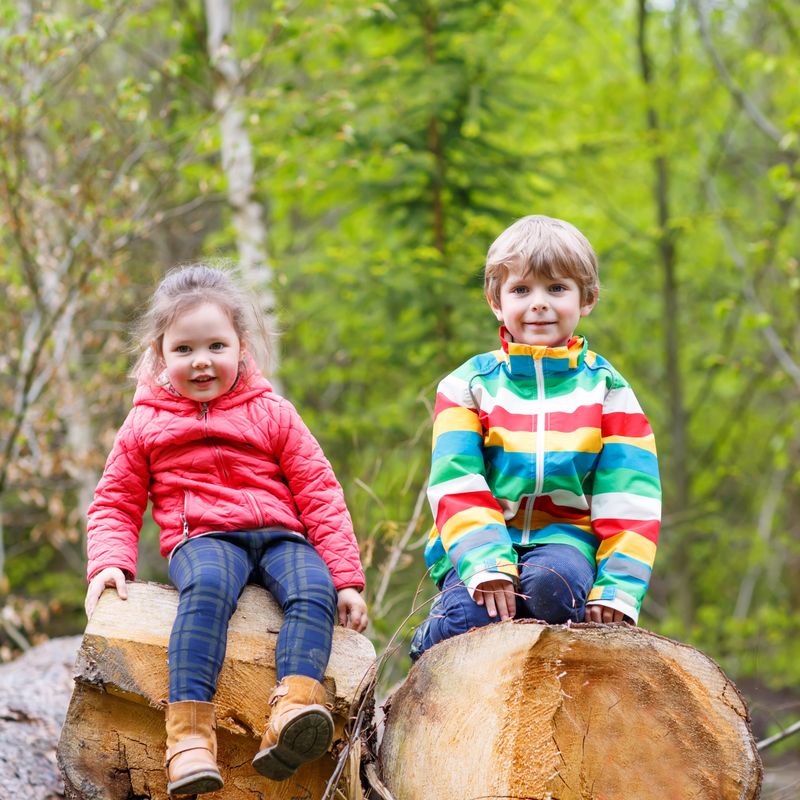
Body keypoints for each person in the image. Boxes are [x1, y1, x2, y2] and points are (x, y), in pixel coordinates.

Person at [84, 264, 368, 795]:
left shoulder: (271, 411)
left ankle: (295, 709)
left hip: (281, 534)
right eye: (184, 349)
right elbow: (116, 500)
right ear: (159, 353)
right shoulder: (146, 422)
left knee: (314, 589)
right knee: (208, 589)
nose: (201, 361)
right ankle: (189, 739)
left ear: (241, 345)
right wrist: (108, 563)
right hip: (204, 538)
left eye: (216, 345)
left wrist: (347, 578)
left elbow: (320, 492)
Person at [411, 215, 661, 660]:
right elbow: (457, 481)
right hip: (477, 544)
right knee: (472, 619)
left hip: (566, 540)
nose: (539, 304)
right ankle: (425, 648)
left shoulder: (608, 390)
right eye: (522, 290)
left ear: (587, 299)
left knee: (552, 589)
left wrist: (617, 590)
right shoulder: (467, 385)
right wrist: (486, 564)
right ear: (495, 300)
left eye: (557, 289)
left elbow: (630, 497)